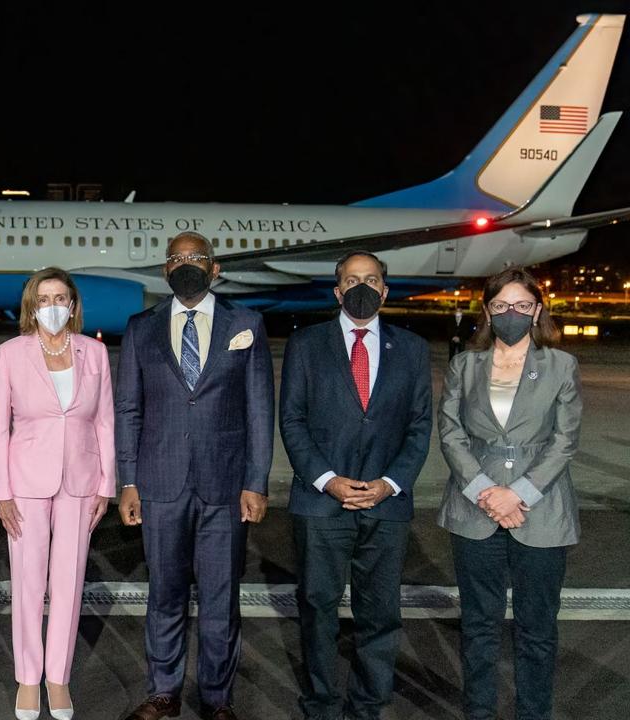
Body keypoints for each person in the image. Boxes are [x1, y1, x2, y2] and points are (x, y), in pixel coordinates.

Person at [115, 232, 273, 720]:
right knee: (164, 592)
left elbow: (259, 410)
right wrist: (127, 481)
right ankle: (163, 690)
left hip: (225, 487)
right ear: (165, 270)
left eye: (196, 258)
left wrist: (256, 481)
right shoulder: (141, 327)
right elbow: (128, 410)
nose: (187, 265)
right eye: (177, 259)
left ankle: (217, 697)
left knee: (221, 598)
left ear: (215, 267)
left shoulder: (246, 324)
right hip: (159, 484)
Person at [279, 251, 432, 720]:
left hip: (386, 507)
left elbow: (419, 426)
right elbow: (292, 420)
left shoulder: (412, 348)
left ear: (385, 290)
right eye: (351, 279)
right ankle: (321, 704)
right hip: (321, 504)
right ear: (337, 291)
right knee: (318, 610)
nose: (361, 286)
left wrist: (389, 484)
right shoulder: (306, 345)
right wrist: (327, 481)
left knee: (380, 615)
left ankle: (368, 705)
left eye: (371, 279)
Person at [437, 266, 580, 720]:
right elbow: (451, 432)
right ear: (487, 311)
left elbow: (565, 440)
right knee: (479, 627)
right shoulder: (465, 364)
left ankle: (533, 714)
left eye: (521, 305)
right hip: (474, 511)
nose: (511, 313)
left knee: (537, 630)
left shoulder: (561, 364)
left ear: (538, 309)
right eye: (501, 306)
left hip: (540, 511)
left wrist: (518, 493)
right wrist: (485, 492)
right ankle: (478, 712)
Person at [0, 267, 115, 720]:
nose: (53, 306)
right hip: (25, 482)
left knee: (69, 581)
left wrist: (106, 483)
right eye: (44, 299)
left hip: (81, 481)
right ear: (31, 306)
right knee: (28, 582)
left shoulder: (95, 352)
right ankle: (28, 677)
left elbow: (104, 420)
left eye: (61, 297)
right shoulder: (10, 353)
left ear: (74, 304)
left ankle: (58, 678)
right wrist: (1, 491)